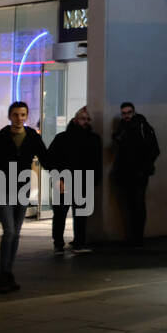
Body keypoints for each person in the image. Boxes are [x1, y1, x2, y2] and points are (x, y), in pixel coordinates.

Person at [0, 102, 49, 293]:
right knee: (9, 231)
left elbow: (46, 158)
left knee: (16, 232)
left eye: (23, 115)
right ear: (10, 116)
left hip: (22, 189)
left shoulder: (32, 137)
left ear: (27, 117)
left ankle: (7, 272)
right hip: (3, 188)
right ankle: (3, 274)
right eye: (16, 115)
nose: (19, 118)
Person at [48, 106, 101, 253]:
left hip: (81, 180)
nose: (86, 121)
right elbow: (51, 160)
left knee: (78, 215)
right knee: (61, 214)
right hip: (66, 180)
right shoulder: (64, 138)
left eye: (87, 119)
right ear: (75, 120)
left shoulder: (91, 139)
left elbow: (96, 163)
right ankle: (60, 242)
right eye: (83, 118)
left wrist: (94, 180)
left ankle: (75, 242)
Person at [112, 102, 160, 246]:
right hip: (128, 172)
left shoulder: (142, 126)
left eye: (128, 113)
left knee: (137, 204)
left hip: (138, 172)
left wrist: (144, 167)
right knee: (131, 205)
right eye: (124, 113)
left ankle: (137, 237)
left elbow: (154, 149)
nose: (126, 116)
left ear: (133, 112)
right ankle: (135, 236)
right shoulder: (124, 127)